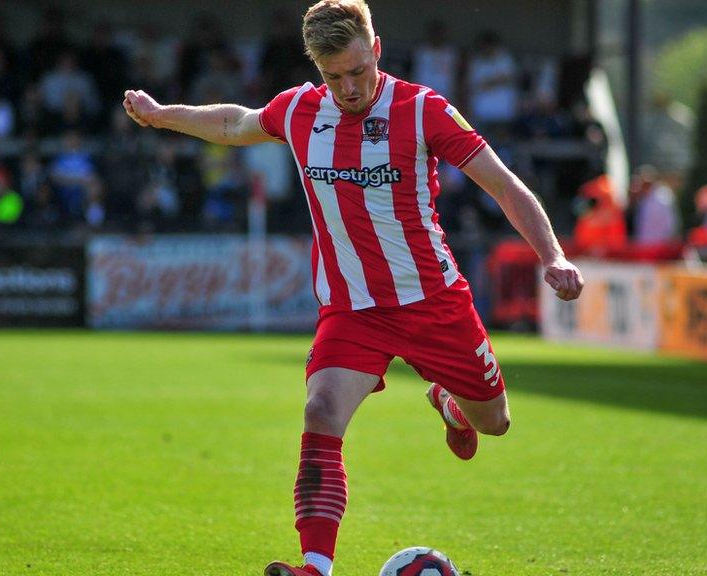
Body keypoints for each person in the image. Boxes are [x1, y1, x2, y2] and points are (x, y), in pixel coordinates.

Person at [122, 2, 584, 575]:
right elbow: (232, 123)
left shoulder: (423, 110)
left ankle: (451, 403)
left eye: (357, 71)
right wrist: (164, 114)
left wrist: (554, 256)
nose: (348, 87)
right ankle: (316, 566)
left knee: (495, 423)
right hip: (351, 309)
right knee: (320, 412)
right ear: (316, 69)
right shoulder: (299, 111)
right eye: (333, 75)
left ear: (377, 51)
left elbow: (505, 186)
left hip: (433, 301)